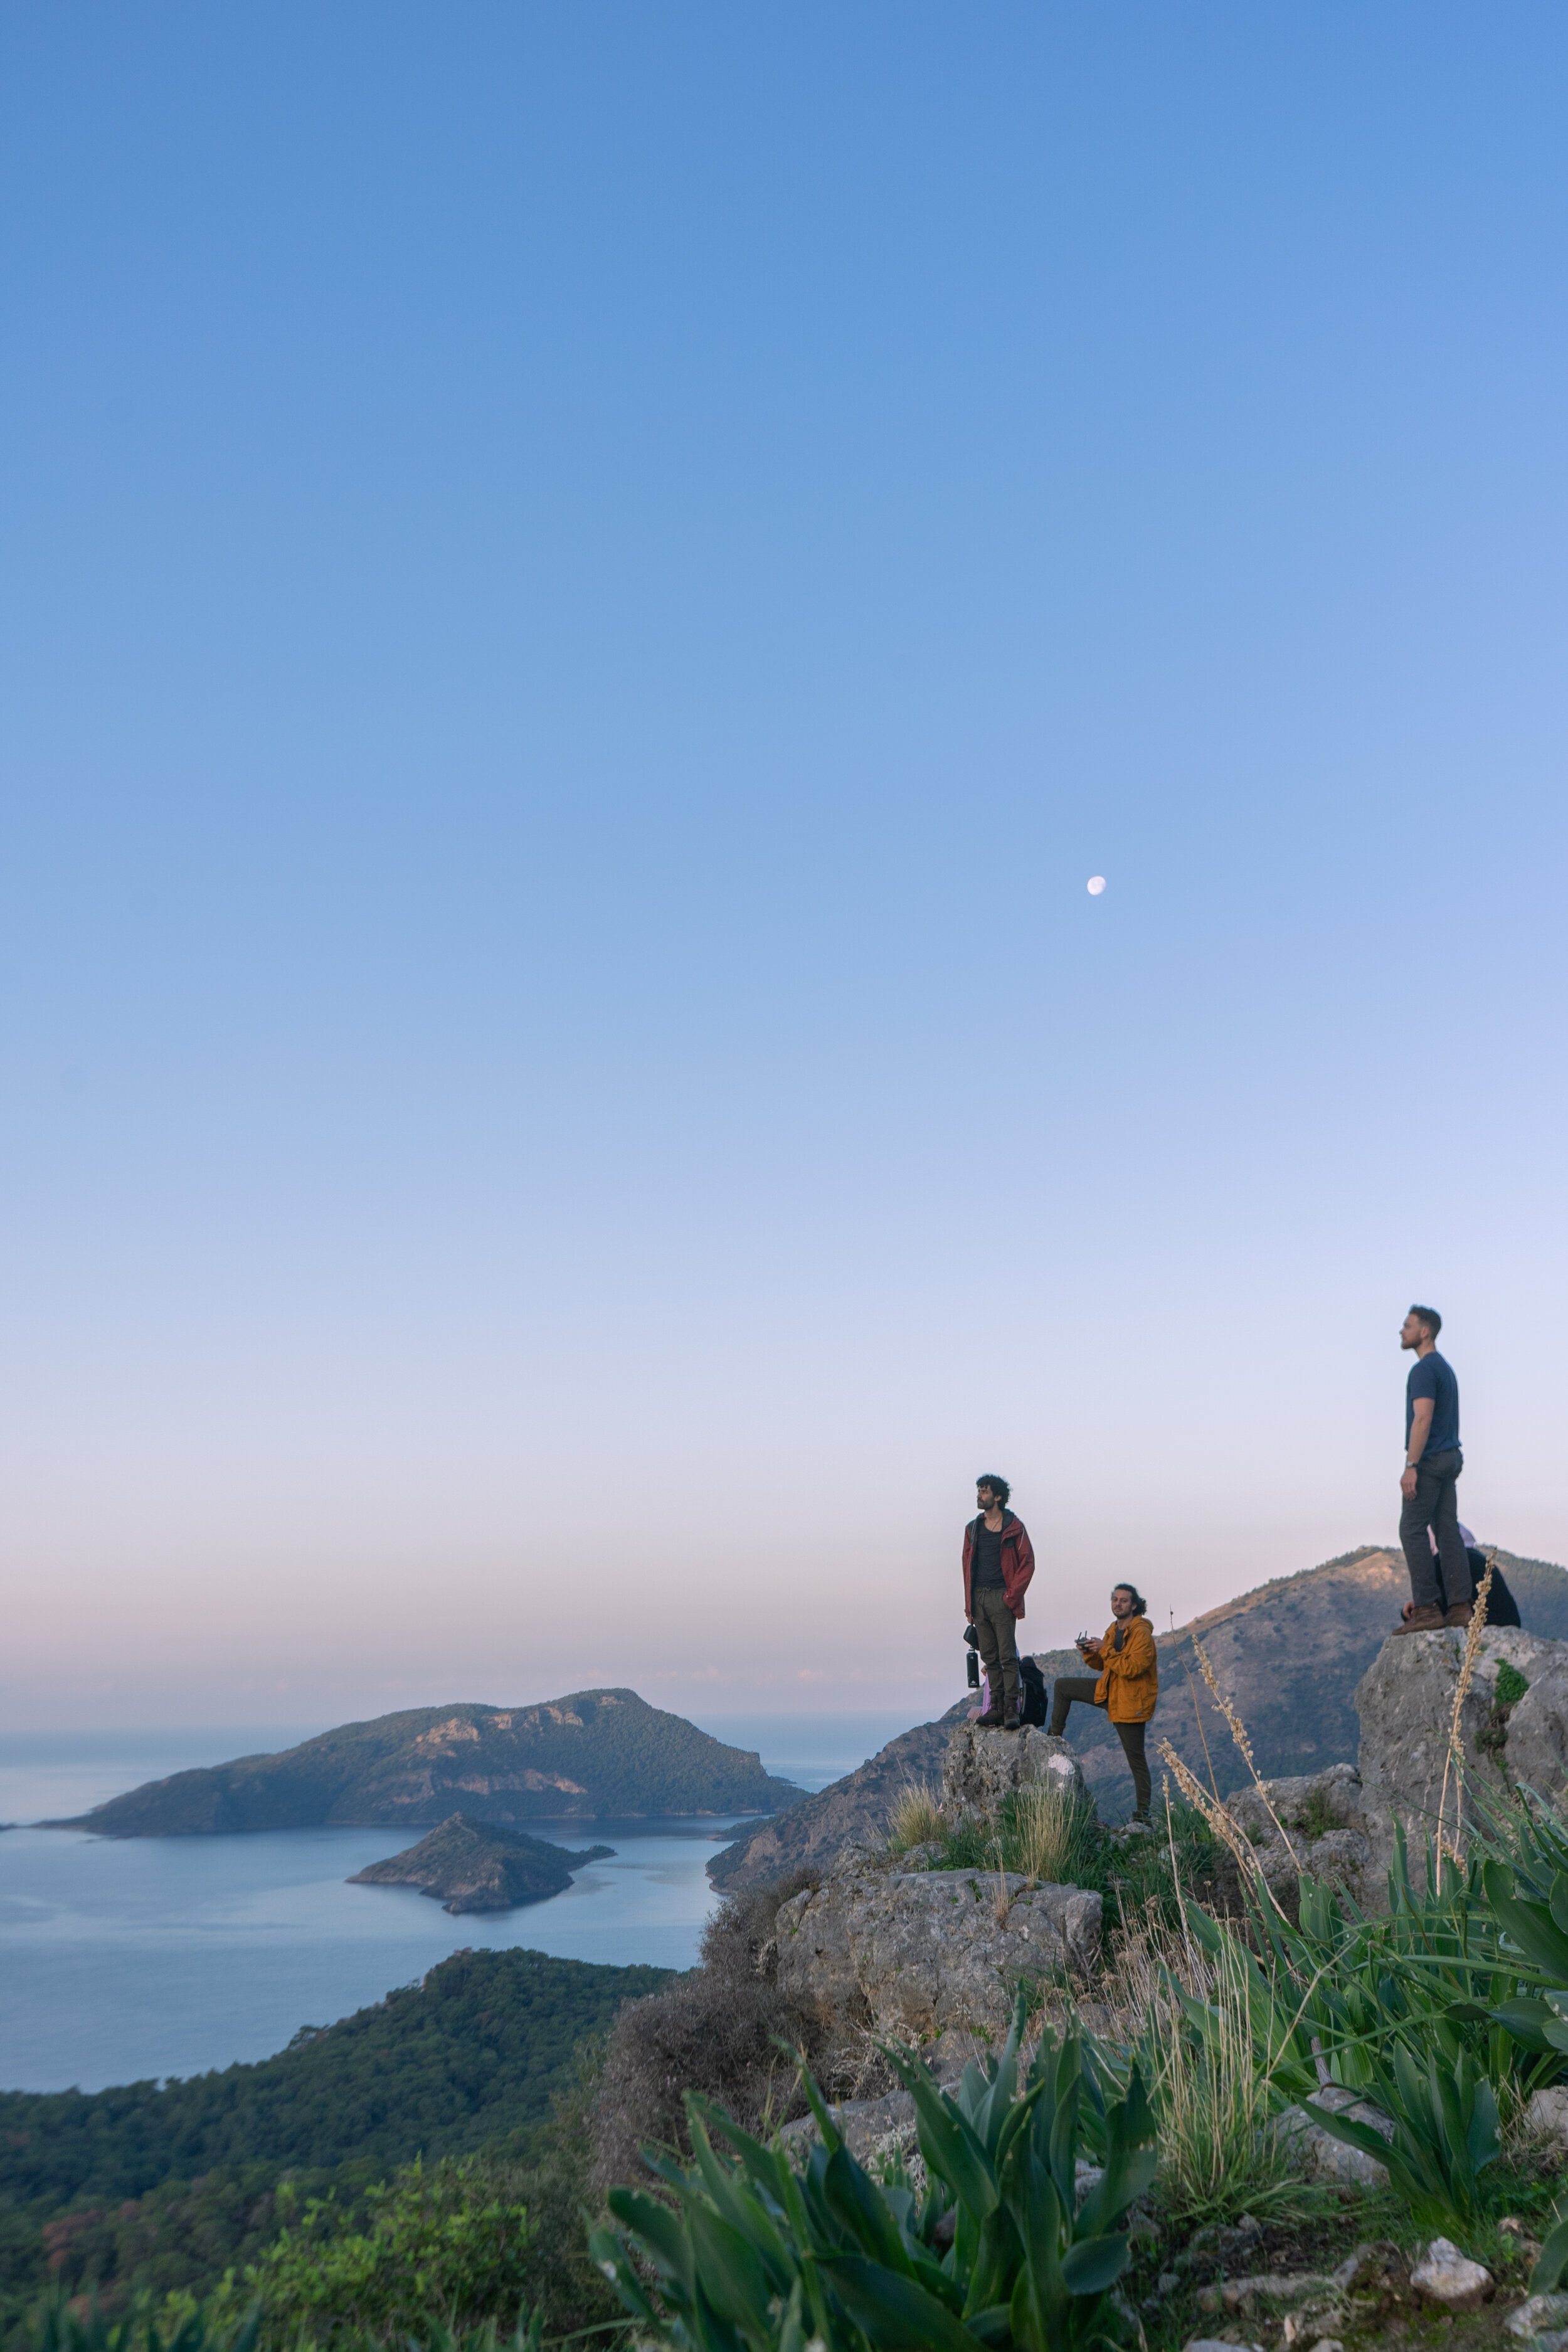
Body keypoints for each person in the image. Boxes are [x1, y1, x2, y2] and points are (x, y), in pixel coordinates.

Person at [1048, 1585, 1158, 1821]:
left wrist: (1105, 1649)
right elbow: (1103, 1665)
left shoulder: (1142, 1633)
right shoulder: (1113, 1629)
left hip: (1130, 1702)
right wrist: (1089, 1651)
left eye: (1124, 1601)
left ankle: (1143, 1817)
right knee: (1062, 1686)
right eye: (1115, 1600)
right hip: (1109, 1691)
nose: (1118, 1604)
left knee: (1137, 1761)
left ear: (1135, 1605)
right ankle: (1053, 1739)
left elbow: (1132, 1668)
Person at [1393, 1305, 1471, 1633]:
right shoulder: (1447, 1370)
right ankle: (1460, 1609)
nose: (1401, 1331)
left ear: (1424, 1332)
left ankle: (1425, 1610)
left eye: (1407, 1325)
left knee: (1411, 1529)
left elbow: (1423, 1419)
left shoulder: (1423, 1371)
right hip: (1450, 1458)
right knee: (1447, 1530)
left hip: (1430, 1461)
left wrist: (1411, 1465)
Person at [961, 1475, 1036, 1730]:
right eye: (979, 1491)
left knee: (1007, 1656)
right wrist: (970, 1603)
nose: (980, 1495)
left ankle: (1011, 1709)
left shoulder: (1014, 1527)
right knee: (990, 1656)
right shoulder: (972, 1529)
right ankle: (995, 1707)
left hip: (1002, 1597)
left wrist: (1011, 1596)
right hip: (979, 1598)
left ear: (998, 1497)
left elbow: (1027, 1563)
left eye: (984, 1491)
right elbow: (966, 1566)